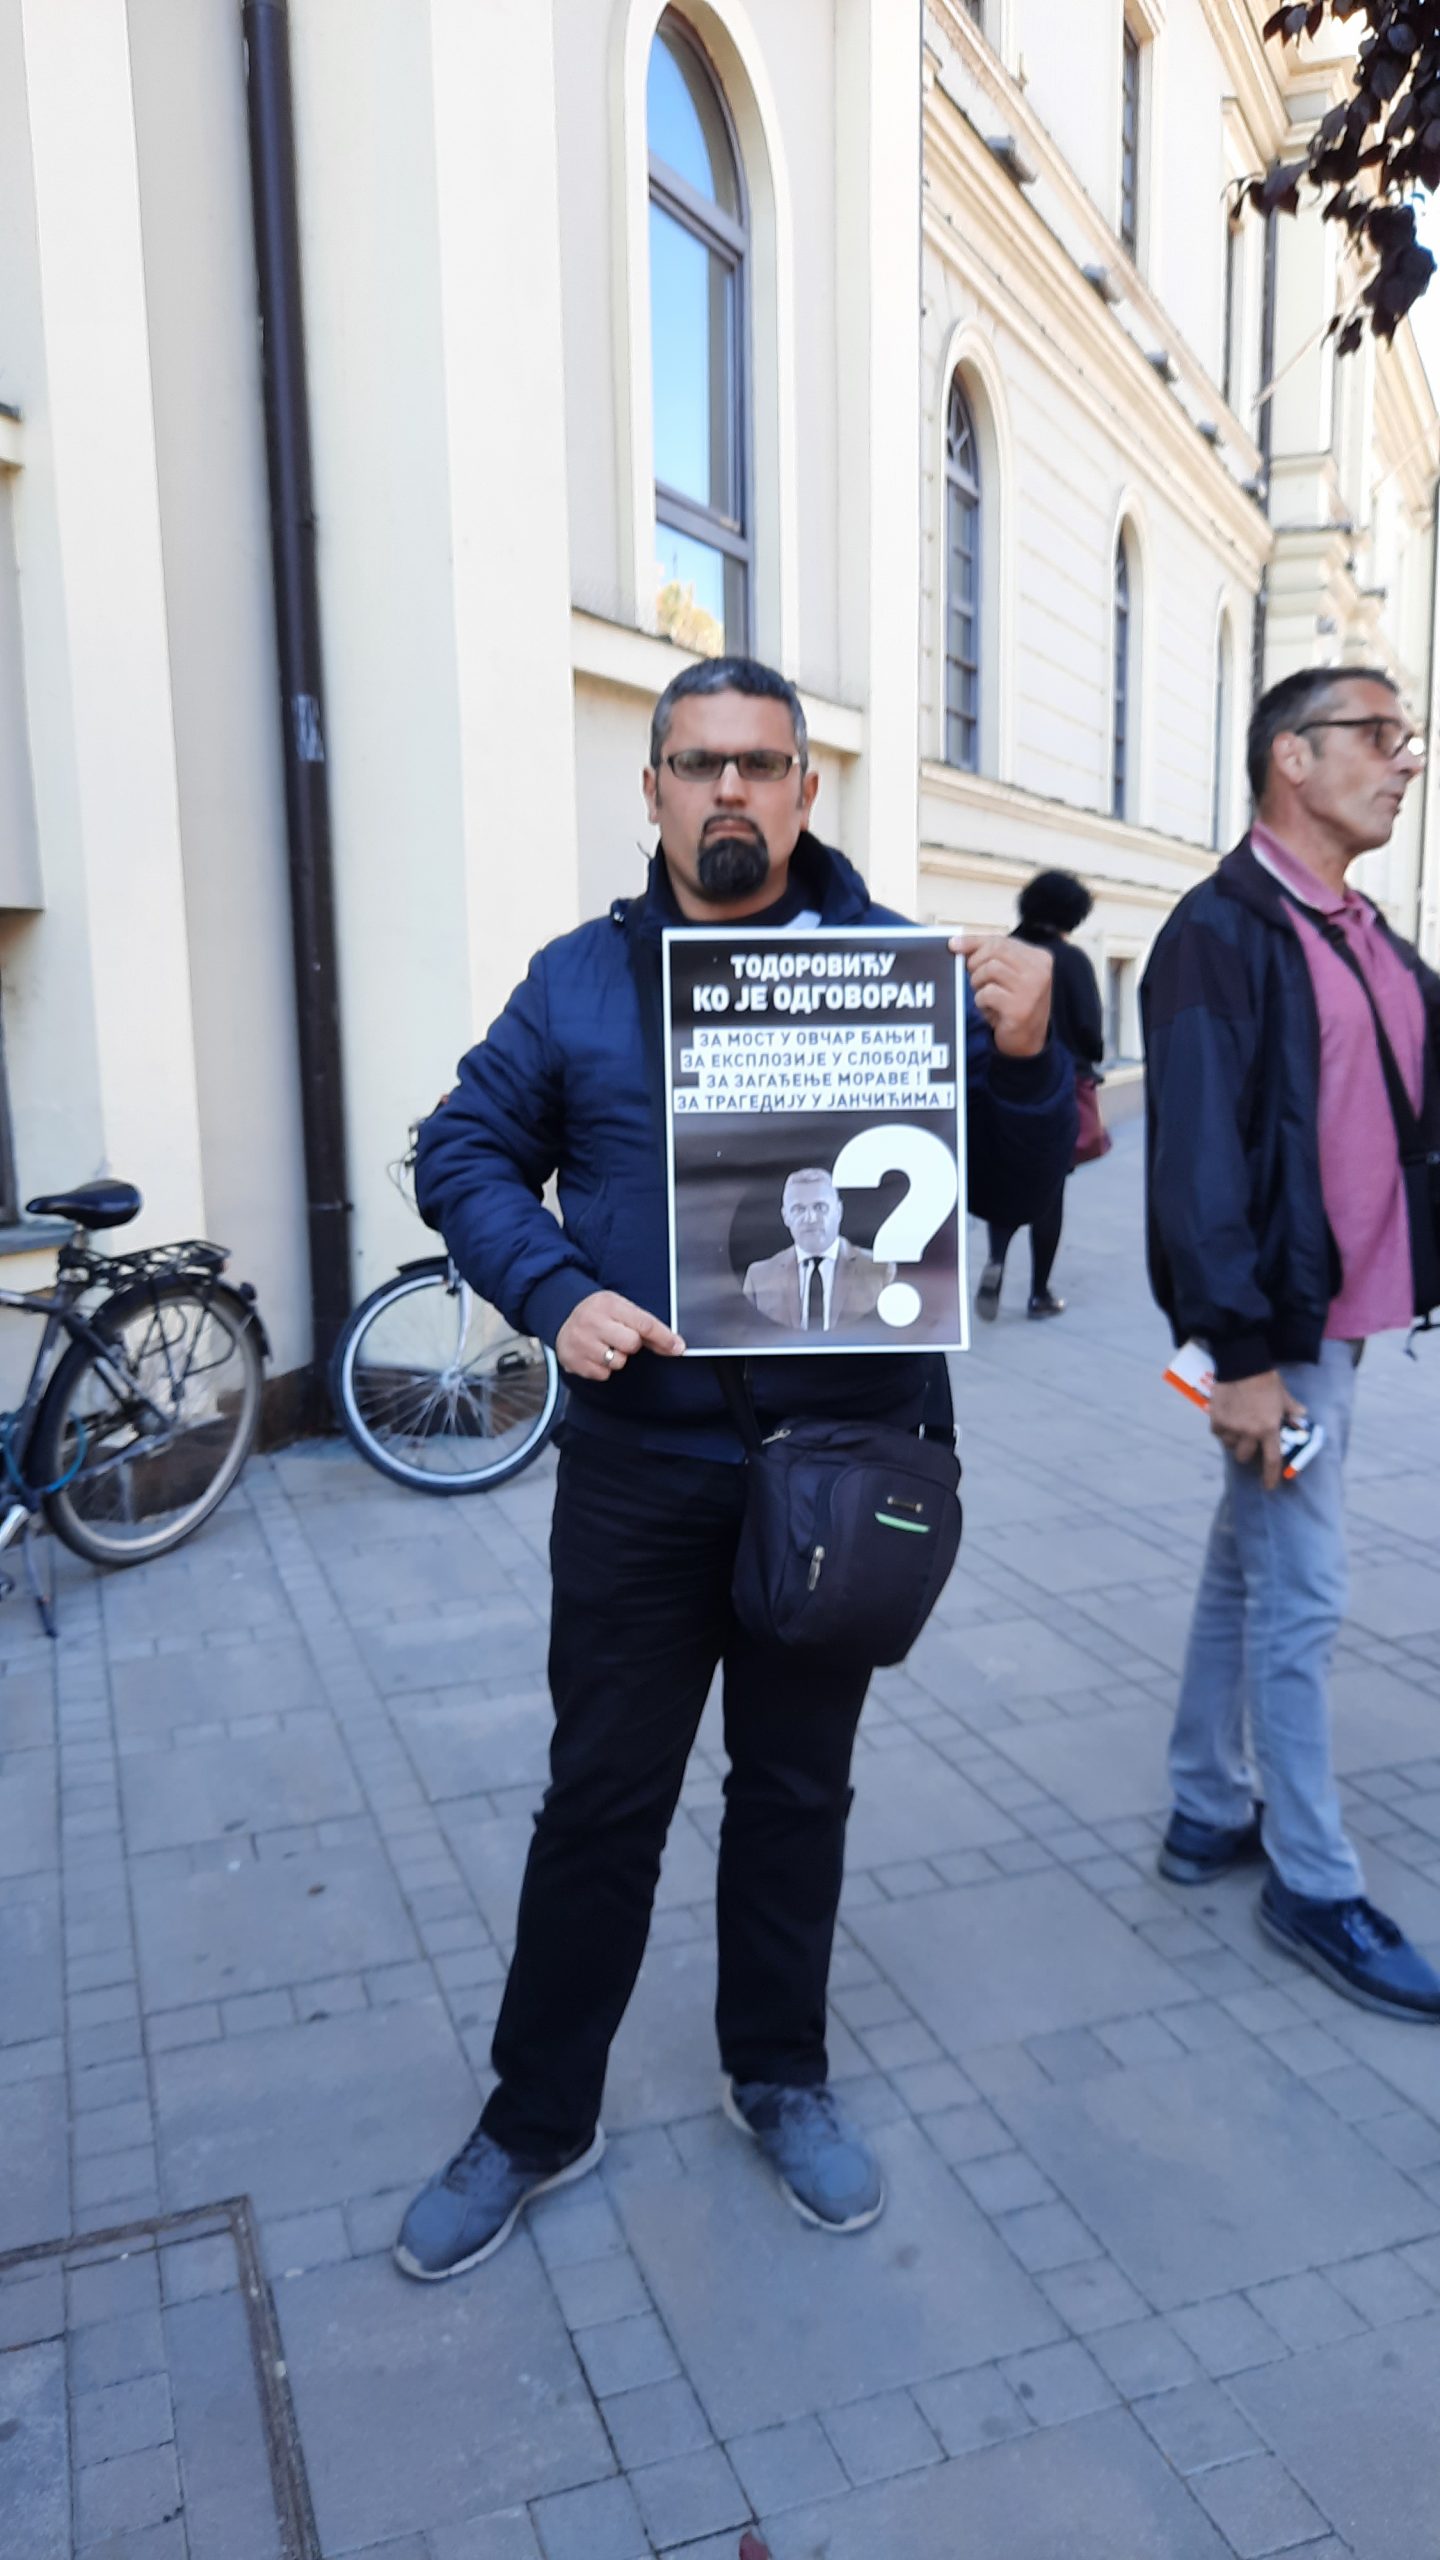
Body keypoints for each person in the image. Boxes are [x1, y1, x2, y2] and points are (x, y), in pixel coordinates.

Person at [395, 654, 1074, 2282]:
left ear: (802, 789)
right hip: (642, 1474)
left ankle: (778, 2074)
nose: (727, 794)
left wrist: (1035, 1055)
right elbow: (459, 1147)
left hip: (837, 1474)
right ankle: (536, 2115)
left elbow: (1023, 1177)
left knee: (795, 1793)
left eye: (758, 766)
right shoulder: (577, 982)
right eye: (695, 765)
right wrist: (553, 1294)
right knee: (602, 1803)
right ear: (650, 792)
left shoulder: (894, 967)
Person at [1143, 664, 1440, 2020]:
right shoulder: (1222, 932)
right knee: (1303, 1588)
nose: (1404, 761)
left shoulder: (1365, 932)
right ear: (1290, 761)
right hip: (1285, 1339)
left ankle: (1209, 1808)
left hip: (1346, 1322)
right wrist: (1243, 1355)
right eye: (1377, 736)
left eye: (1406, 738)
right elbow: (1201, 1159)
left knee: (1243, 1562)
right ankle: (1314, 1883)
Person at [976, 869, 1104, 1321]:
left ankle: (995, 1260)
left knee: (1004, 1179)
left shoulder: (1001, 954)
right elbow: (1090, 1030)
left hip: (1000, 1084)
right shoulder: (1070, 962)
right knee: (1049, 1191)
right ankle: (1039, 1293)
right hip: (1058, 1091)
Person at [742, 1167, 893, 1332]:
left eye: (820, 1207)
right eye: (798, 1209)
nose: (810, 1218)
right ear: (785, 1216)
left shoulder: (880, 1270)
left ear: (839, 1211)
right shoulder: (759, 1277)